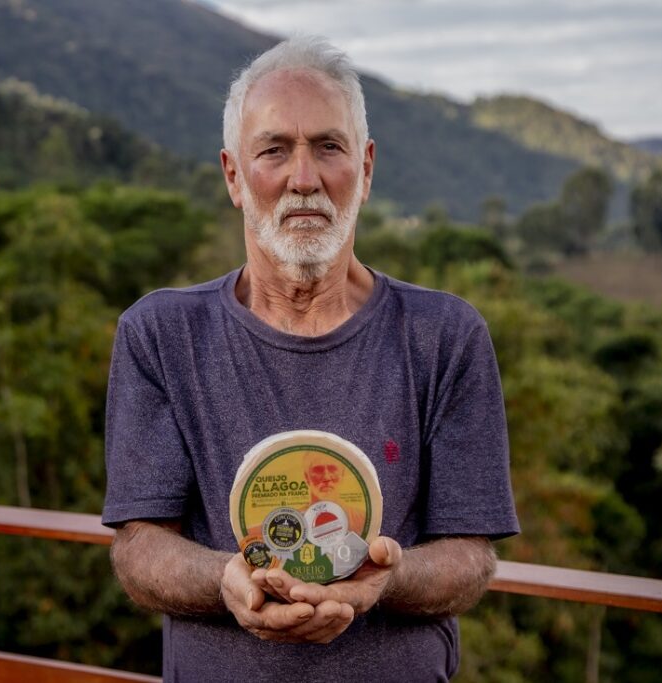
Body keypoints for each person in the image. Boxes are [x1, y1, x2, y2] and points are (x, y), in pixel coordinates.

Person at [102, 36, 519, 682]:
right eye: (274, 150)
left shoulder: (446, 335)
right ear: (235, 175)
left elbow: (471, 554)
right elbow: (137, 545)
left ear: (367, 167)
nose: (304, 178)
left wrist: (384, 577)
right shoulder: (160, 334)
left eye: (329, 146)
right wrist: (225, 580)